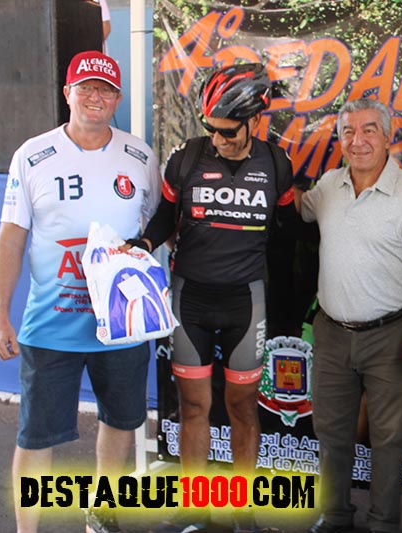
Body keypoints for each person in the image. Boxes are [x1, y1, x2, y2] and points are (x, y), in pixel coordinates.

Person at [0, 50, 160, 533]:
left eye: (105, 90)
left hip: (121, 325)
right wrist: (0, 315)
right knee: (35, 436)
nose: (95, 97)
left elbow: (155, 229)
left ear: (117, 99)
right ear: (67, 93)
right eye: (85, 87)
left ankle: (100, 516)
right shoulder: (33, 155)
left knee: (121, 423)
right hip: (51, 327)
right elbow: (10, 238)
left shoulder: (140, 156)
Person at [125, 63, 293, 533]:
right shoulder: (187, 158)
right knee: (194, 408)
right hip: (191, 299)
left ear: (255, 120)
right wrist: (144, 244)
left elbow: (285, 239)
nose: (217, 139)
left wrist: (288, 304)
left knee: (242, 408)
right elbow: (165, 216)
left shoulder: (276, 164)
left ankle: (244, 513)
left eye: (228, 131)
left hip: (245, 302)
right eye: (210, 129)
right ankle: (194, 509)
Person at [294, 97, 402, 533]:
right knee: (331, 433)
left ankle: (384, 524)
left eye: (368, 130)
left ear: (387, 136)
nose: (357, 140)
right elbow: (299, 206)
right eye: (348, 132)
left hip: (391, 335)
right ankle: (335, 517)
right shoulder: (329, 186)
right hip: (331, 332)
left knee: (390, 438)